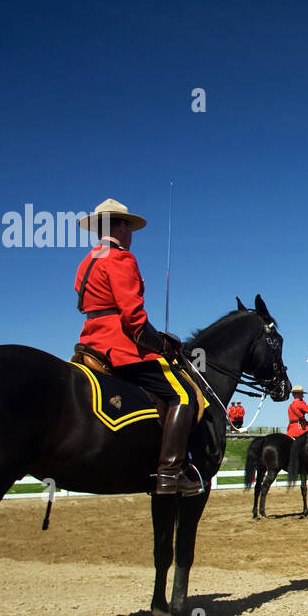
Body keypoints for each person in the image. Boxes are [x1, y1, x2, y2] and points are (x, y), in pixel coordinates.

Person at [74, 198, 200, 495]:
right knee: (183, 394)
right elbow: (133, 318)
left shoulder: (87, 261)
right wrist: (161, 344)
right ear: (120, 226)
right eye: (128, 227)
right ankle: (170, 473)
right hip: (119, 347)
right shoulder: (120, 258)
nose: (131, 235)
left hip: (89, 341)